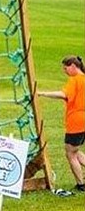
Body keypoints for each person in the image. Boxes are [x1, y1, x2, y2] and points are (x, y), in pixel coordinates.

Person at [38, 56, 85, 191]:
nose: (65, 71)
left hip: (76, 121)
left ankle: (81, 184)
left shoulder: (75, 80)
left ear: (73, 66)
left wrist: (42, 93)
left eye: (65, 68)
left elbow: (64, 94)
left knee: (70, 153)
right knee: (74, 150)